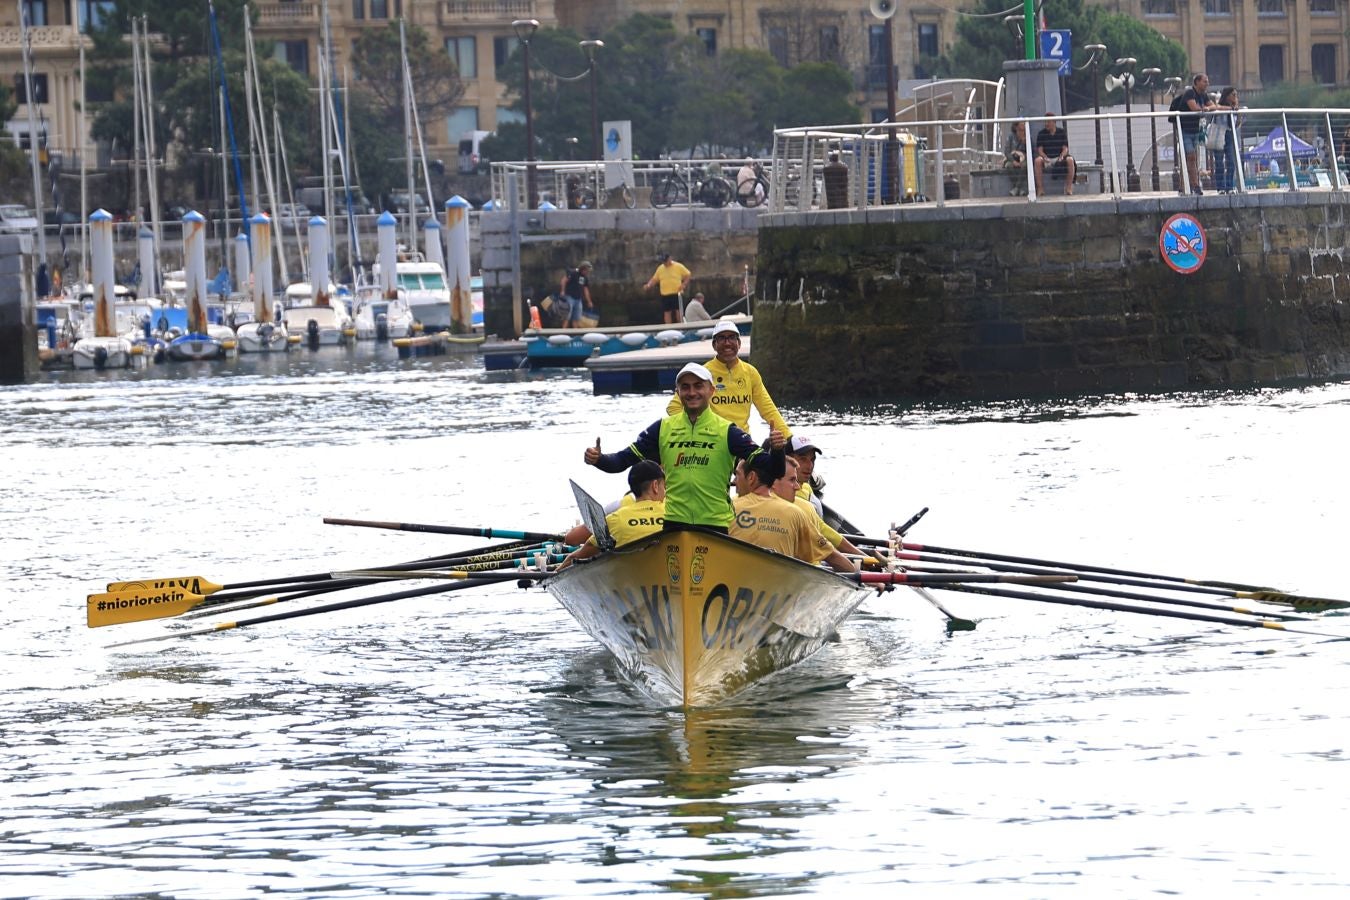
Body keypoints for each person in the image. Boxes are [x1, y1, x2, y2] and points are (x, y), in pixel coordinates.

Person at [585, 362, 777, 532]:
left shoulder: (728, 432)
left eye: (698, 386)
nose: (692, 392)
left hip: (716, 525)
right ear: (678, 392)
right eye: (685, 387)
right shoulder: (662, 428)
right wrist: (599, 459)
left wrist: (777, 449)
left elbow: (773, 468)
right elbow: (620, 462)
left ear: (711, 390)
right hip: (674, 524)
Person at [664, 319, 792, 440]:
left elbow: (768, 409)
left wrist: (789, 437)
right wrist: (695, 432)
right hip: (712, 441)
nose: (727, 343)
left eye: (732, 338)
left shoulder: (750, 372)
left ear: (739, 343)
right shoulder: (703, 373)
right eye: (722, 338)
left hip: (742, 440)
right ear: (714, 345)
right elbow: (674, 408)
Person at [730, 451, 855, 573]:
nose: (797, 486)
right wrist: (860, 580)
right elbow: (831, 556)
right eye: (792, 480)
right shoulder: (798, 511)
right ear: (773, 482)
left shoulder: (729, 506)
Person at [559, 461, 666, 569]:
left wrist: (553, 575)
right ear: (655, 486)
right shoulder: (674, 514)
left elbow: (576, 558)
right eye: (664, 486)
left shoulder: (614, 519)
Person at [772, 455, 861, 567]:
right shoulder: (801, 509)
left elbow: (823, 533)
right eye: (803, 459)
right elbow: (829, 552)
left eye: (812, 460)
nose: (809, 466)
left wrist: (861, 556)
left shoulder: (806, 492)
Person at [1171, 73, 1217, 196]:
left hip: (1195, 130)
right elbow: (1195, 109)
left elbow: (1213, 106)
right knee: (1191, 157)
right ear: (1196, 82)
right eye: (1204, 81)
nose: (1207, 83)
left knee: (1189, 159)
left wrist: (1207, 108)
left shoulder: (1203, 95)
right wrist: (1205, 108)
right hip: (1185, 131)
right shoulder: (1189, 93)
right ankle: (1195, 185)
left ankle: (1182, 186)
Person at [1033, 113, 1076, 197]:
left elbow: (1065, 148)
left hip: (1059, 158)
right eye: (1045, 122)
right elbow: (1040, 150)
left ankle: (1069, 187)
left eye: (1048, 122)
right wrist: (1045, 157)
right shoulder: (1041, 133)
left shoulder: (1061, 132)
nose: (1046, 124)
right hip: (1047, 158)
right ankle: (1040, 189)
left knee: (1070, 160)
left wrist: (1062, 156)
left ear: (1054, 122)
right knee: (1037, 160)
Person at [643, 253, 691, 325]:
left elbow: (688, 274)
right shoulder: (660, 268)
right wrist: (649, 285)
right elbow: (655, 279)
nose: (664, 263)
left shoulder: (678, 266)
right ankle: (668, 328)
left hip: (676, 293)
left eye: (666, 261)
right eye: (663, 261)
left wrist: (684, 284)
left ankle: (681, 326)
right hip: (665, 294)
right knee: (667, 312)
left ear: (670, 259)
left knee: (678, 311)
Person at [1213, 87, 1241, 193]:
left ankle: (1229, 186)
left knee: (1231, 161)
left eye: (1236, 95)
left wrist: (1238, 113)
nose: (1235, 97)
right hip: (1220, 133)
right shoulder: (1220, 106)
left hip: (1230, 134)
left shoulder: (1234, 108)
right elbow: (1216, 108)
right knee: (1219, 162)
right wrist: (1230, 109)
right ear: (1227, 95)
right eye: (1233, 95)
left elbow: (1237, 124)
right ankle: (1221, 187)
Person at [559, 260, 594, 329]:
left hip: (578, 299)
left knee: (576, 318)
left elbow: (585, 290)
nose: (587, 272)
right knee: (567, 317)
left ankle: (575, 333)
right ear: (583, 269)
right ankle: (563, 332)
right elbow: (563, 281)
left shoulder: (585, 278)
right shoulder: (573, 273)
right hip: (569, 297)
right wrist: (562, 291)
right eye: (587, 270)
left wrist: (589, 301)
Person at [1003, 120, 1029, 196]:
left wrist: (1025, 144)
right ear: (1016, 127)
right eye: (1022, 124)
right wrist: (1013, 161)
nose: (1023, 125)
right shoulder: (1011, 137)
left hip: (1023, 159)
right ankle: (1018, 188)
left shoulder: (1027, 136)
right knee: (1009, 166)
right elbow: (1007, 151)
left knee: (1024, 166)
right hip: (1012, 159)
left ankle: (1016, 188)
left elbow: (1031, 151)